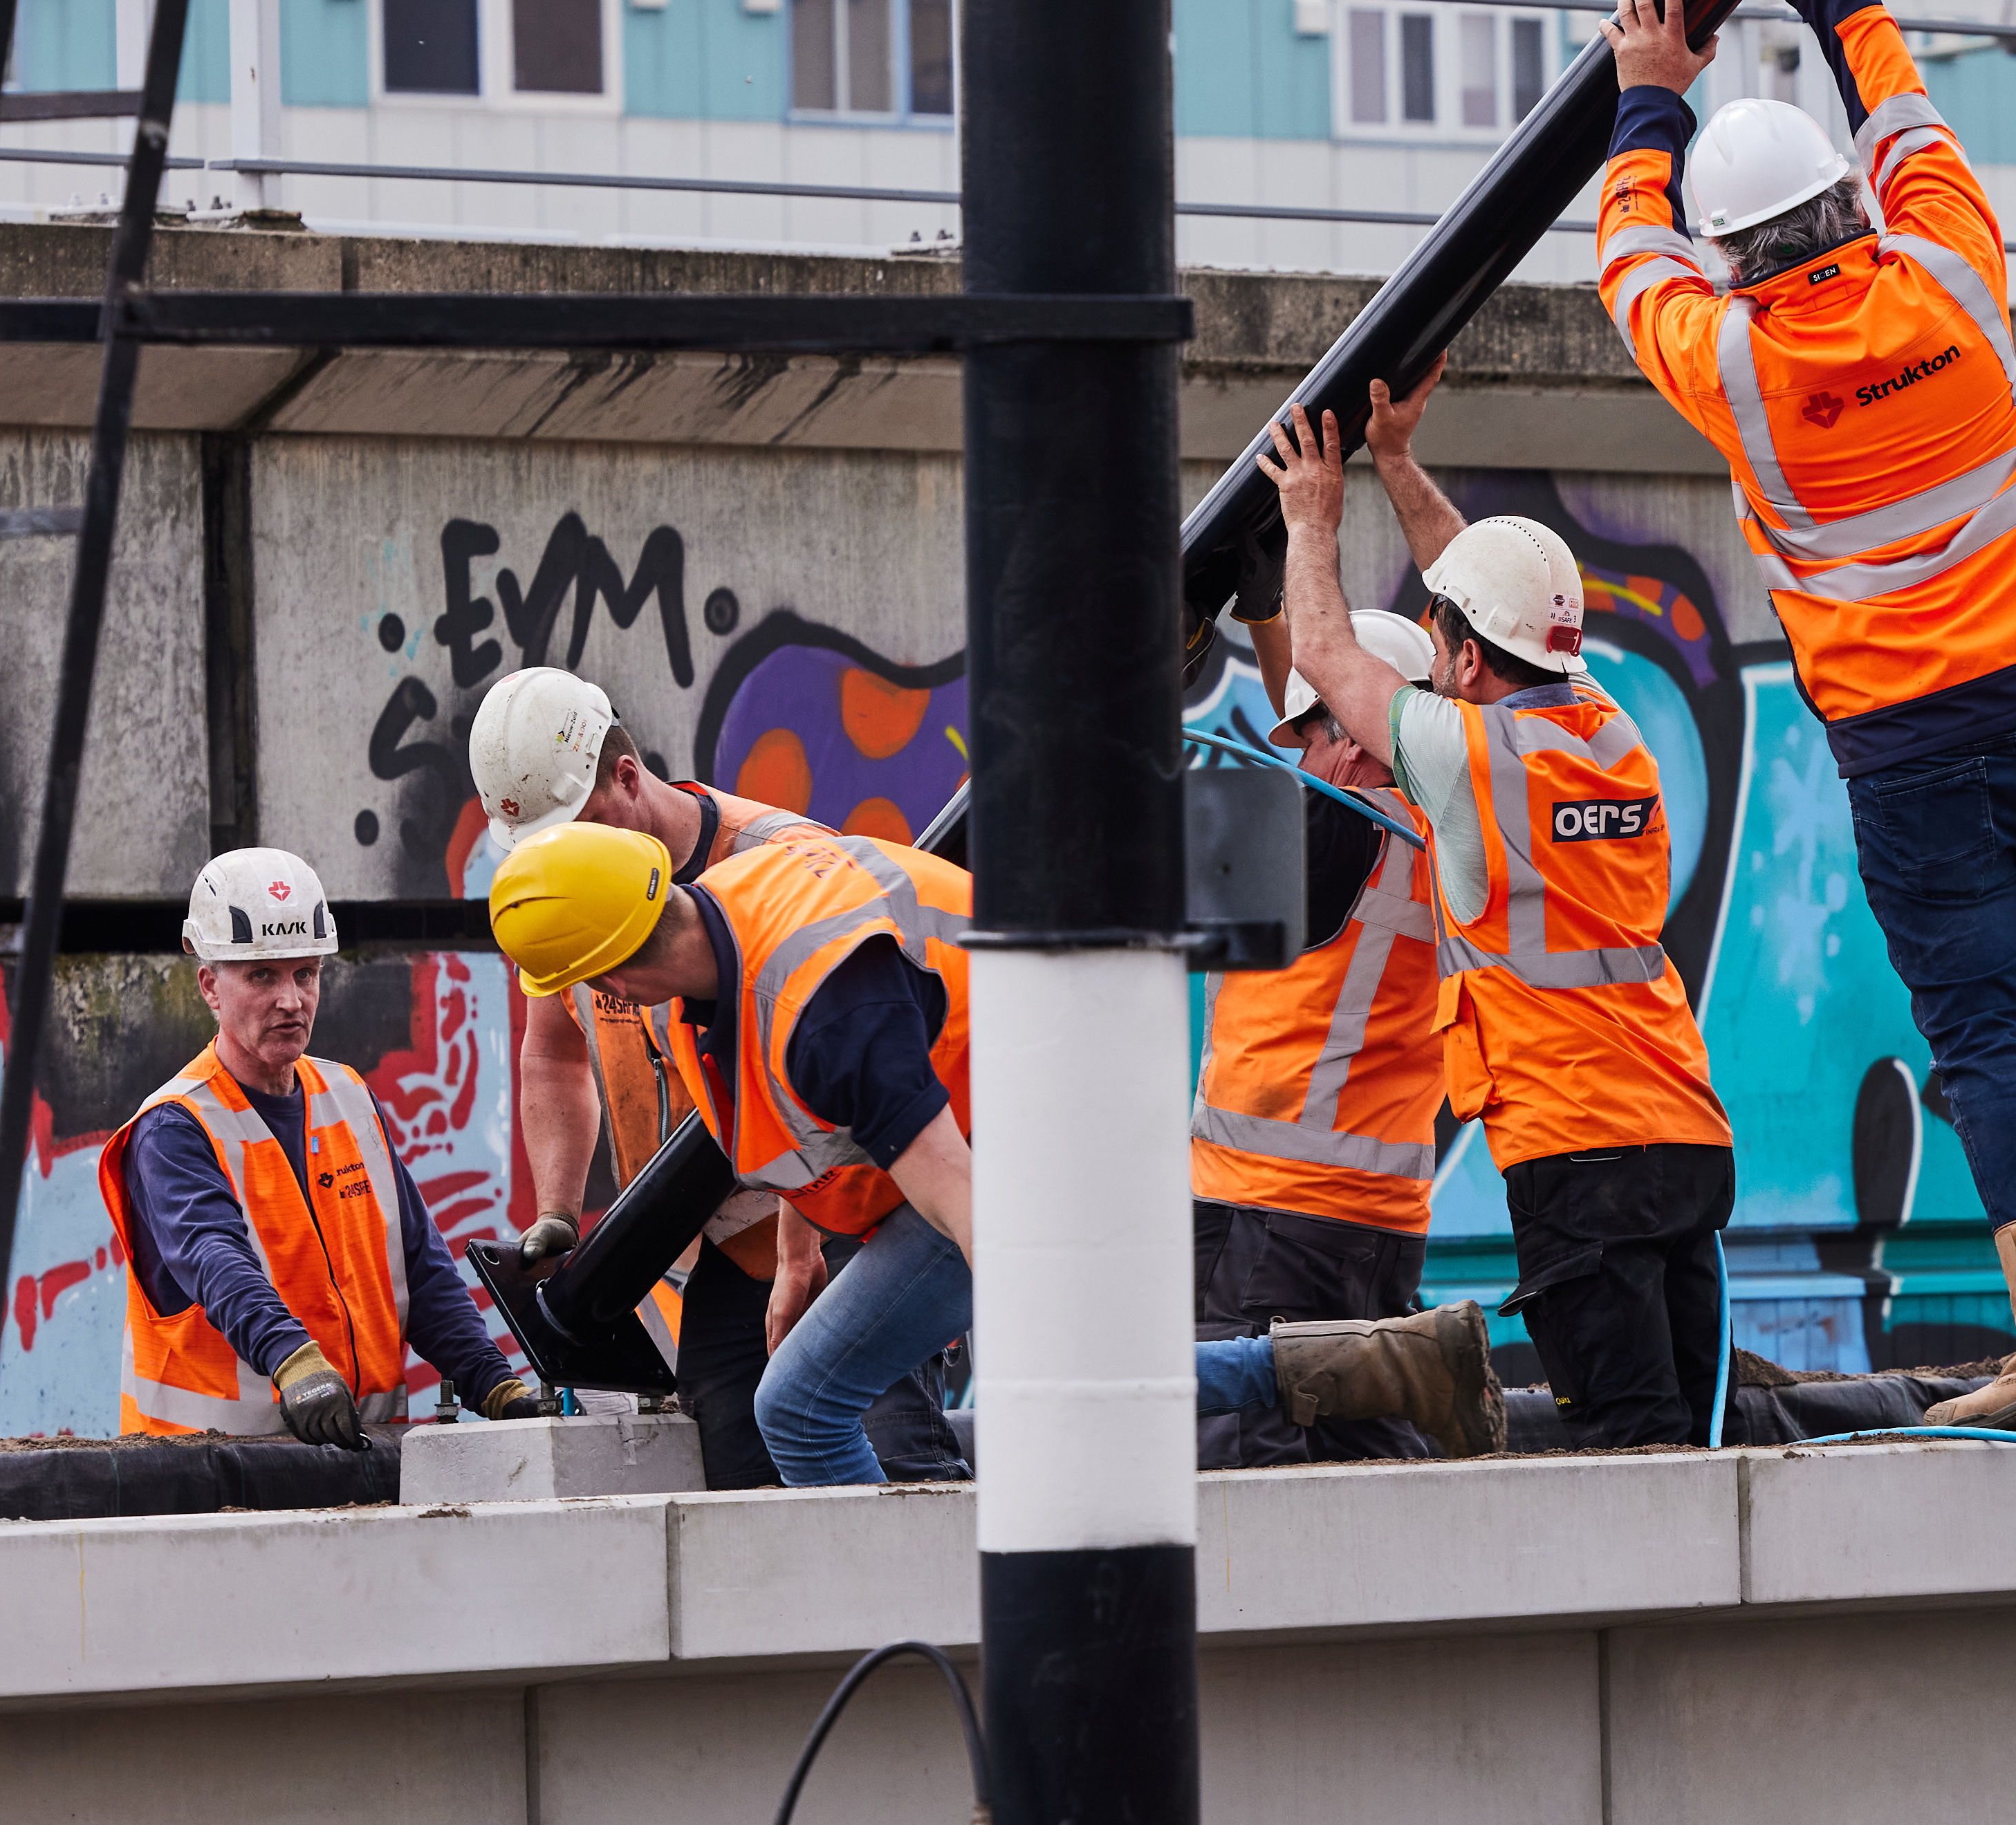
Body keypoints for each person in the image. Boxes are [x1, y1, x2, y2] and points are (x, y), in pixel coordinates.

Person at [1587, 0, 2016, 1436]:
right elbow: (1913, 118)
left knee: (1989, 1029)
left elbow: (1627, 264)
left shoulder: (1732, 359)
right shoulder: (1949, 261)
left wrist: (1646, 99)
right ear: (1849, 199)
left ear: (1737, 253)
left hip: (1915, 739)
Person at [488, 819, 1506, 1483]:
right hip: (988, 1117)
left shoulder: (826, 1008)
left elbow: (959, 1193)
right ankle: (1381, 1365)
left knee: (806, 1405)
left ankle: (899, 1630)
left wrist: (1036, 1314)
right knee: (1070, 1374)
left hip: (1022, 1136)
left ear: (610, 975)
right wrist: (798, 1261)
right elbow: (791, 1120)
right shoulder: (722, 928)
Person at [1260, 398, 1739, 1449]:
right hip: (1685, 1130)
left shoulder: (1470, 762)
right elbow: (1493, 604)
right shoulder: (1614, 732)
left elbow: (1336, 660)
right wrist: (1397, 460)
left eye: (1441, 643)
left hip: (1578, 1150)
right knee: (1701, 1435)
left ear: (1467, 660)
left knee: (1632, 1444)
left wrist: (1312, 520)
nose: (1434, 658)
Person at [463, 667, 967, 1484]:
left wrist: (804, 1251)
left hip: (851, 1216)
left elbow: (851, 1080)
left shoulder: (783, 860)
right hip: (725, 1249)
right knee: (742, 1501)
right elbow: (552, 1051)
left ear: (627, 777)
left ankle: (935, 1609)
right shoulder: (569, 890)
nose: (562, 856)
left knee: (888, 1456)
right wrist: (557, 1210)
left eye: (579, 827)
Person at [97, 846, 547, 1443]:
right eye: (263, 975)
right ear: (210, 985)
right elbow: (215, 1259)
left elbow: (420, 1265)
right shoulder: (174, 1127)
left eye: (306, 973)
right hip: (214, 1475)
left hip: (359, 1454)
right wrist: (296, 1364)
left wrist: (493, 1383)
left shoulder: (349, 1096)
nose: (292, 1000)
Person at [1198, 583, 1456, 1465]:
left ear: (1349, 738)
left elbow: (1120, 886)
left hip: (1269, 1213)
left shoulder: (1326, 828)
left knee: (1242, 1450)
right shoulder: (1452, 831)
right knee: (1366, 1445)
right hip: (1380, 1221)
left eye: (1310, 735)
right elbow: (1312, 769)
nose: (1299, 761)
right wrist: (1271, 619)